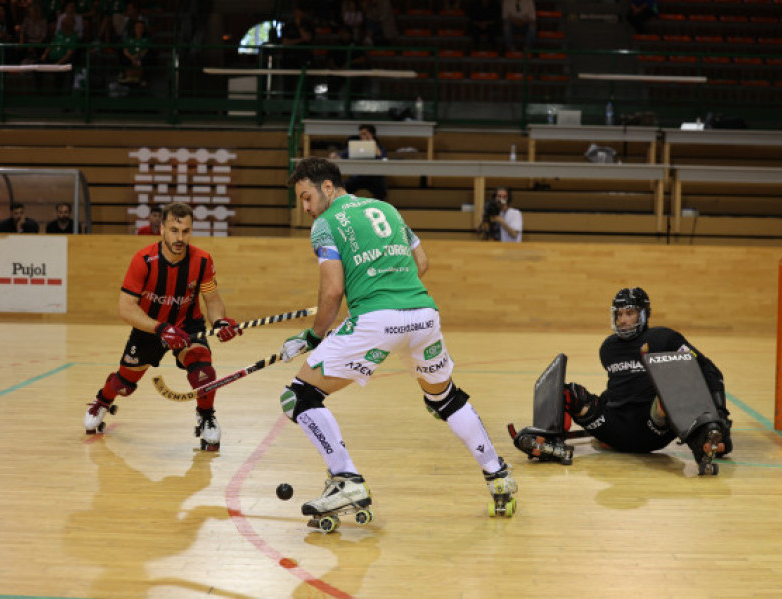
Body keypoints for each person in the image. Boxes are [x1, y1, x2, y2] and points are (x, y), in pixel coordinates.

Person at [278, 157, 518, 522]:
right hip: (423, 315)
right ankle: (498, 475)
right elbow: (420, 263)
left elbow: (332, 292)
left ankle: (346, 480)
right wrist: (381, 280)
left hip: (377, 320)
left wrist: (314, 335)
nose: (307, 208)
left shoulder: (325, 225)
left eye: (307, 197)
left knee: (299, 396)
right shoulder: (386, 209)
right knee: (444, 398)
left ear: (328, 187)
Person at [82, 202, 243, 451]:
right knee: (124, 385)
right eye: (174, 230)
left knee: (203, 370)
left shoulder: (202, 261)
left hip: (188, 325)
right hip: (150, 327)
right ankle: (103, 400)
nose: (180, 238)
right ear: (162, 229)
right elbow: (125, 308)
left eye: (186, 231)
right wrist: (160, 329)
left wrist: (220, 321)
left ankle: (206, 415)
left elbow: (212, 301)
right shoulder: (143, 260)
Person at [519, 287, 732, 473]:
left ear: (643, 315)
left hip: (653, 427)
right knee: (569, 393)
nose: (622, 320)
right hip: (614, 428)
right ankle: (548, 443)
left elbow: (707, 369)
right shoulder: (608, 348)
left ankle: (707, 439)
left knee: (673, 388)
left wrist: (720, 417)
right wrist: (591, 404)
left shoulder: (664, 338)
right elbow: (619, 388)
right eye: (619, 314)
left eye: (629, 313)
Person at [329, 123, 388, 201]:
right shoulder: (355, 146)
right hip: (357, 177)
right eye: (361, 134)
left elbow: (382, 157)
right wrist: (335, 155)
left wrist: (371, 142)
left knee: (381, 190)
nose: (362, 136)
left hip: (374, 177)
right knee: (343, 188)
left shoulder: (379, 147)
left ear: (372, 134)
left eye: (364, 134)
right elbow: (343, 155)